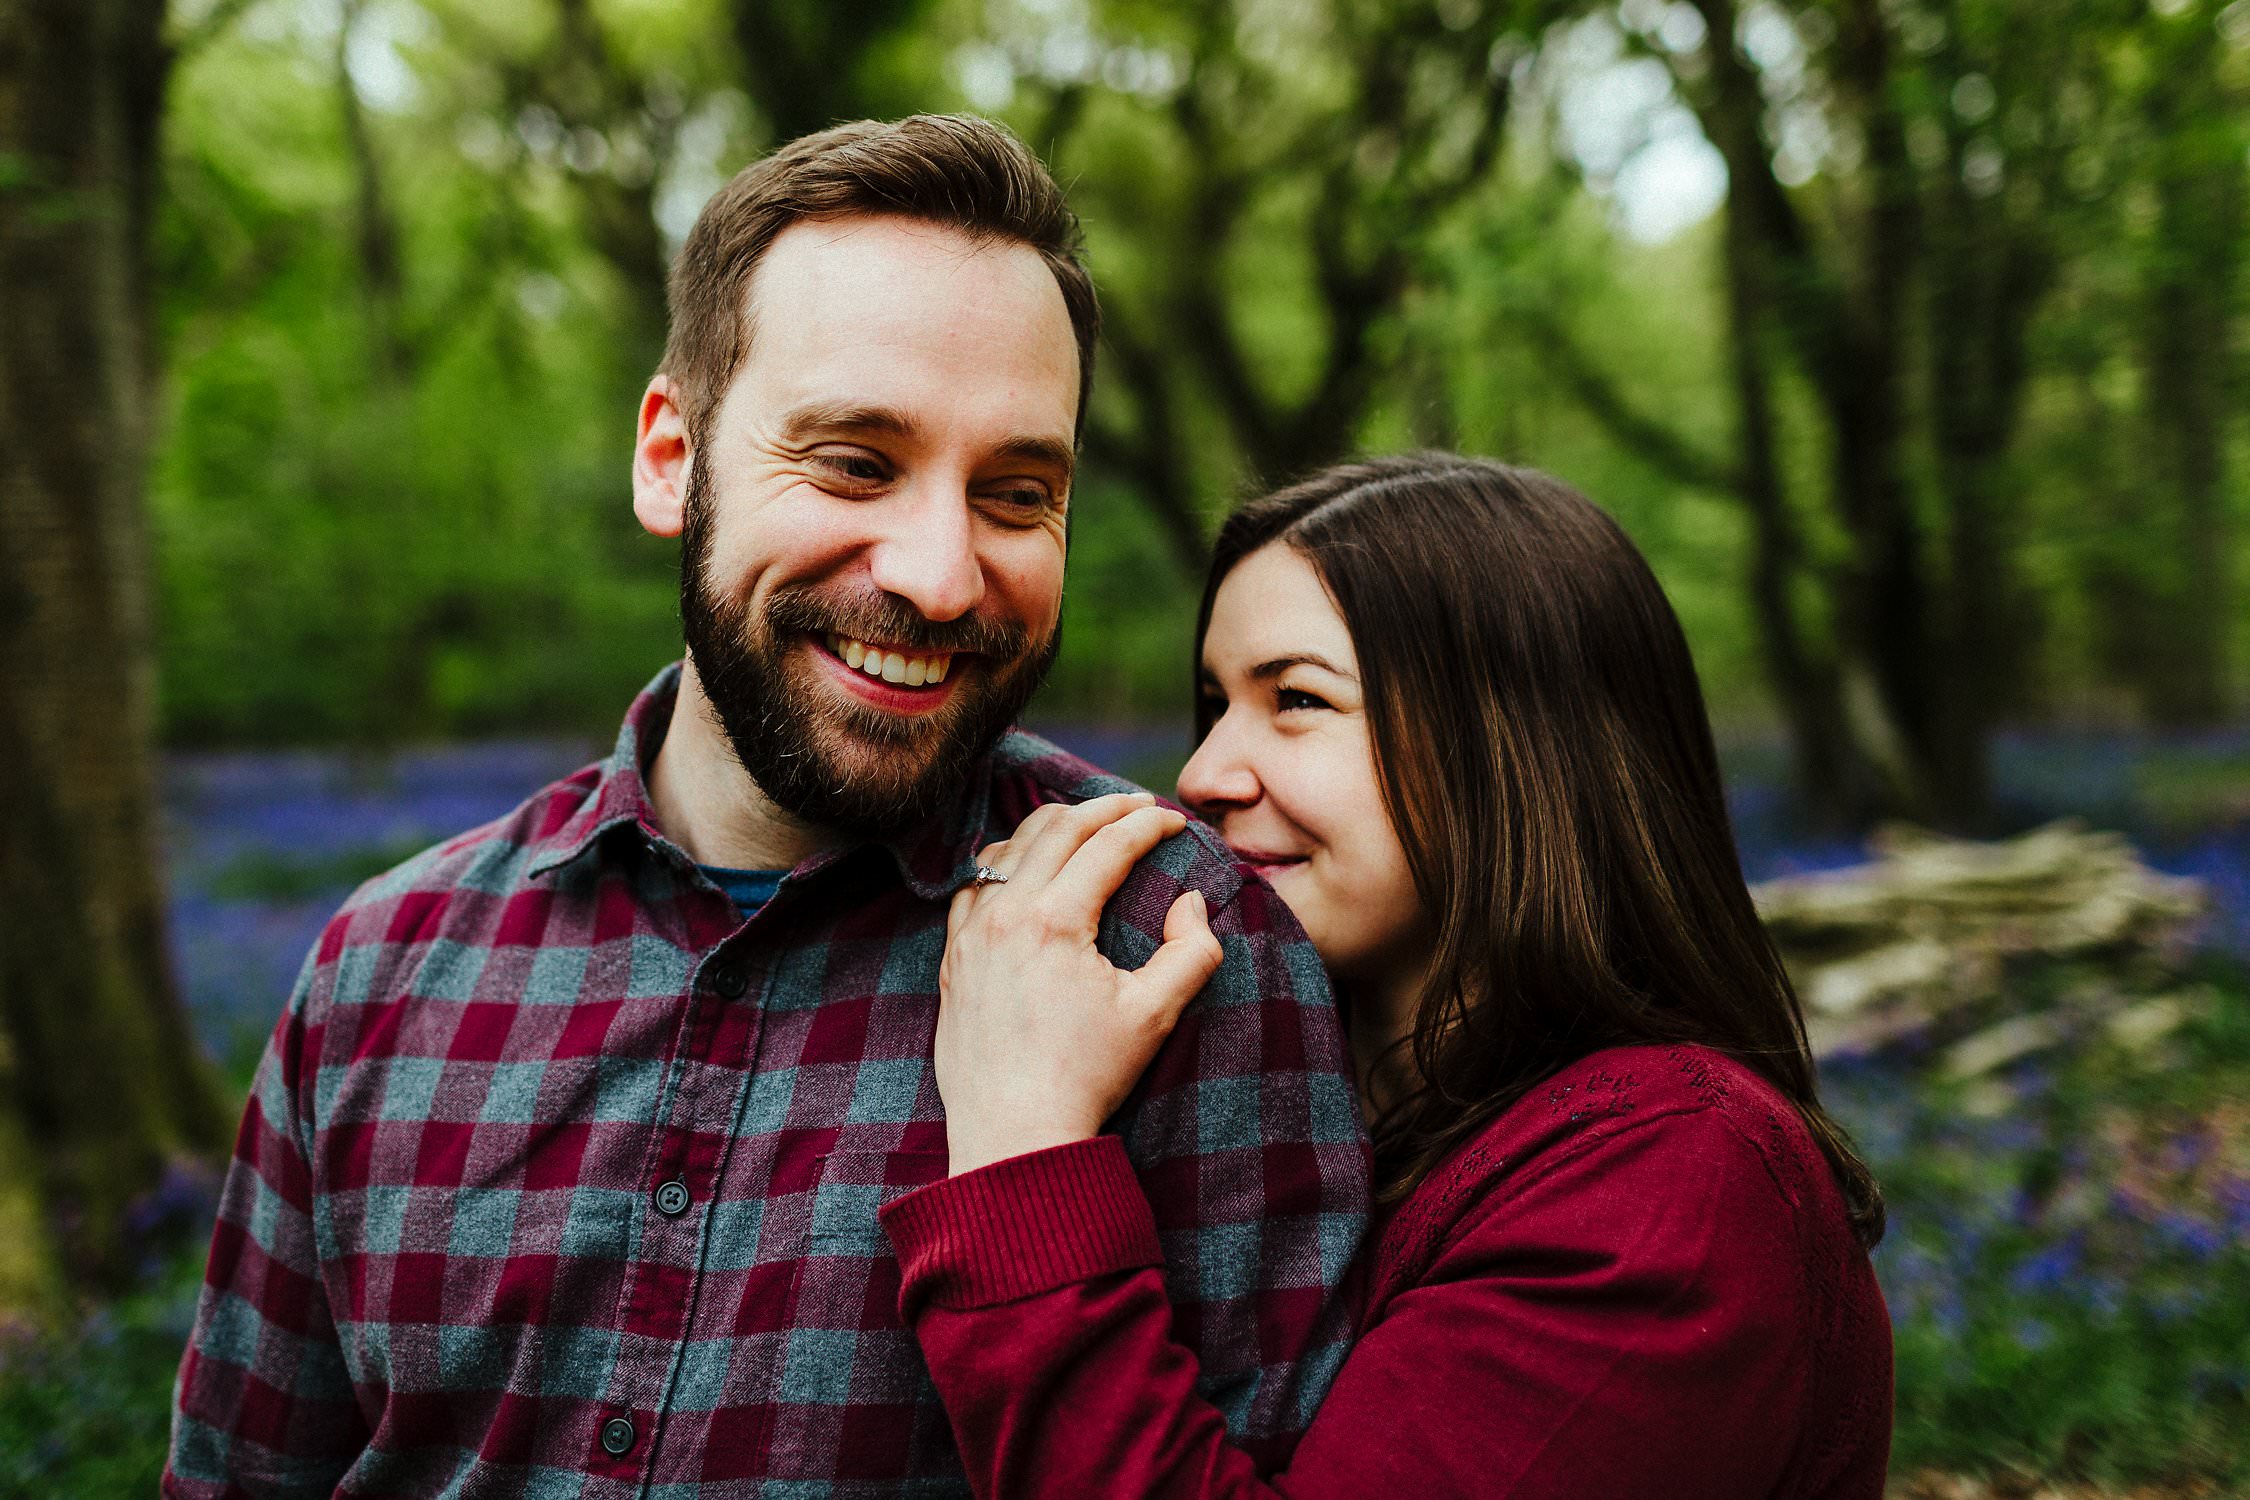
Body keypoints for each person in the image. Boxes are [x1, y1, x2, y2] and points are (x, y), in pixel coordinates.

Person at [164, 115, 1369, 1499]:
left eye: (1017, 492)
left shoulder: (1179, 946)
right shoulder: (382, 969)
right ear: (671, 458)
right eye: (856, 462)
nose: (937, 573)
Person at [884, 453, 1896, 1498]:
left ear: (1517, 747)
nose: (1201, 775)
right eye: (1212, 702)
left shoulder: (1675, 1181)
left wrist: (1025, 1143)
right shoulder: (1305, 1116)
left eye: (1297, 700)